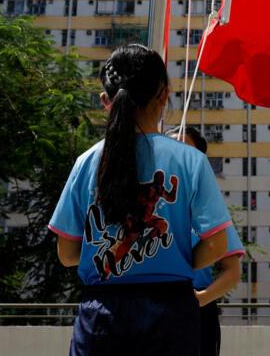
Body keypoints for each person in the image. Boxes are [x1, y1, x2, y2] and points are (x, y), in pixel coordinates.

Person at [48, 44, 233, 356]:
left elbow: (66, 253)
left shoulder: (86, 162)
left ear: (106, 101)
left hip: (101, 316)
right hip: (171, 314)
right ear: (164, 95)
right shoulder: (190, 161)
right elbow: (217, 245)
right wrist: (169, 261)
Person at [166, 126, 245, 356]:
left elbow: (232, 271)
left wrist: (200, 299)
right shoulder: (151, 204)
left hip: (197, 310)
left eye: (183, 148)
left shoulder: (208, 209)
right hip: (152, 304)